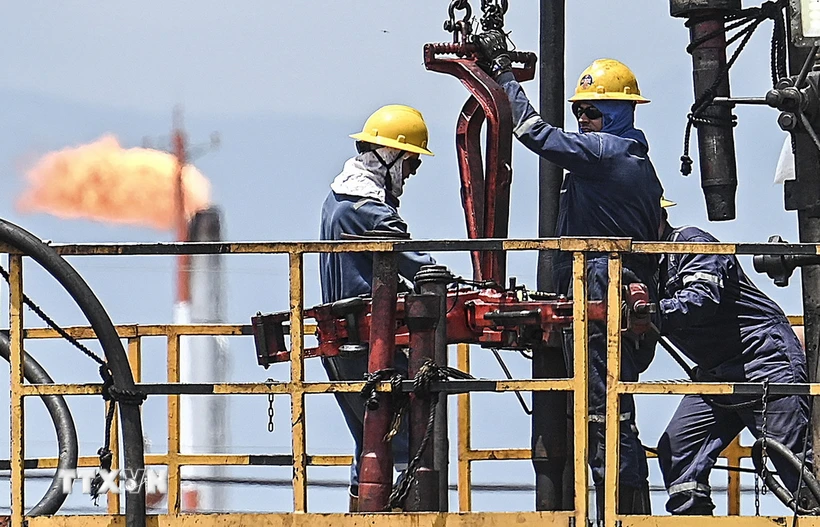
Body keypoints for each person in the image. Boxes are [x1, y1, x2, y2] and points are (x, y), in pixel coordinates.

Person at [476, 32, 664, 514]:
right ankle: (623, 512)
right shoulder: (633, 162)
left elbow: (532, 132)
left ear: (618, 113)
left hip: (603, 288)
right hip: (604, 288)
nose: (583, 119)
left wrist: (503, 75)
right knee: (601, 411)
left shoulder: (606, 153)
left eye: (592, 111)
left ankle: (623, 517)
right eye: (579, 111)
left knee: (603, 415)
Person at [655, 203, 811, 515]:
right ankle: (694, 518)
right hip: (716, 372)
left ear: (651, 213)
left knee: (795, 462)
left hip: (763, 359)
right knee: (678, 449)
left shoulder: (691, 243)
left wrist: (648, 313)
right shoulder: (642, 266)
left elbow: (700, 301)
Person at [319, 104, 436, 511]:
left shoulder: (336, 199)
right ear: (392, 156)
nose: (413, 172)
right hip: (372, 346)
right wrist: (447, 278)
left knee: (367, 438)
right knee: (407, 443)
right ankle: (399, 515)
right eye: (412, 162)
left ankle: (364, 513)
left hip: (340, 344)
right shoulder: (369, 210)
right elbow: (414, 262)